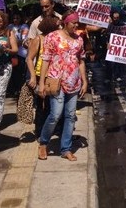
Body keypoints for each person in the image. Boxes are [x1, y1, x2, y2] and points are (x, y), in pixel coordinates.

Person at [37, 10, 88, 161]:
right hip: (56, 82)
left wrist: (84, 81)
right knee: (55, 115)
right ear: (65, 23)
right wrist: (41, 83)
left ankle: (66, 148)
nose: (76, 25)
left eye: (77, 23)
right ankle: (43, 142)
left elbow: (81, 61)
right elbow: (45, 60)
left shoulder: (79, 39)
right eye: (73, 23)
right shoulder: (52, 37)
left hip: (74, 83)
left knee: (70, 116)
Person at [26, 15, 61, 137]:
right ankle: (40, 131)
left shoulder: (57, 38)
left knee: (54, 105)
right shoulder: (38, 39)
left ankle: (53, 129)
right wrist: (32, 77)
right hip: (41, 76)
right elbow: (29, 59)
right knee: (42, 106)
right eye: (57, 25)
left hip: (55, 77)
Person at [8, 12, 30, 96]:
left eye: (17, 18)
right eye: (14, 18)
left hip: (22, 54)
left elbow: (23, 41)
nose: (15, 20)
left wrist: (14, 42)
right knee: (13, 73)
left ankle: (21, 90)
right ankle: (14, 89)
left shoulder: (24, 27)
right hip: (12, 53)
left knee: (21, 73)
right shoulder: (10, 27)